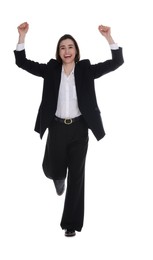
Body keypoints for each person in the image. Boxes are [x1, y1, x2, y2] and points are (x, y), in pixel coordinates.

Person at [14, 22, 124, 237]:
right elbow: (22, 62)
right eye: (62, 47)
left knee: (77, 176)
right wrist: (22, 36)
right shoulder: (50, 69)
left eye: (70, 47)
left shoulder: (86, 69)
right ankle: (57, 176)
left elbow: (117, 61)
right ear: (58, 52)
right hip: (56, 127)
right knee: (52, 168)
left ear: (76, 51)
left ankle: (70, 224)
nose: (67, 51)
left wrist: (109, 38)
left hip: (80, 130)